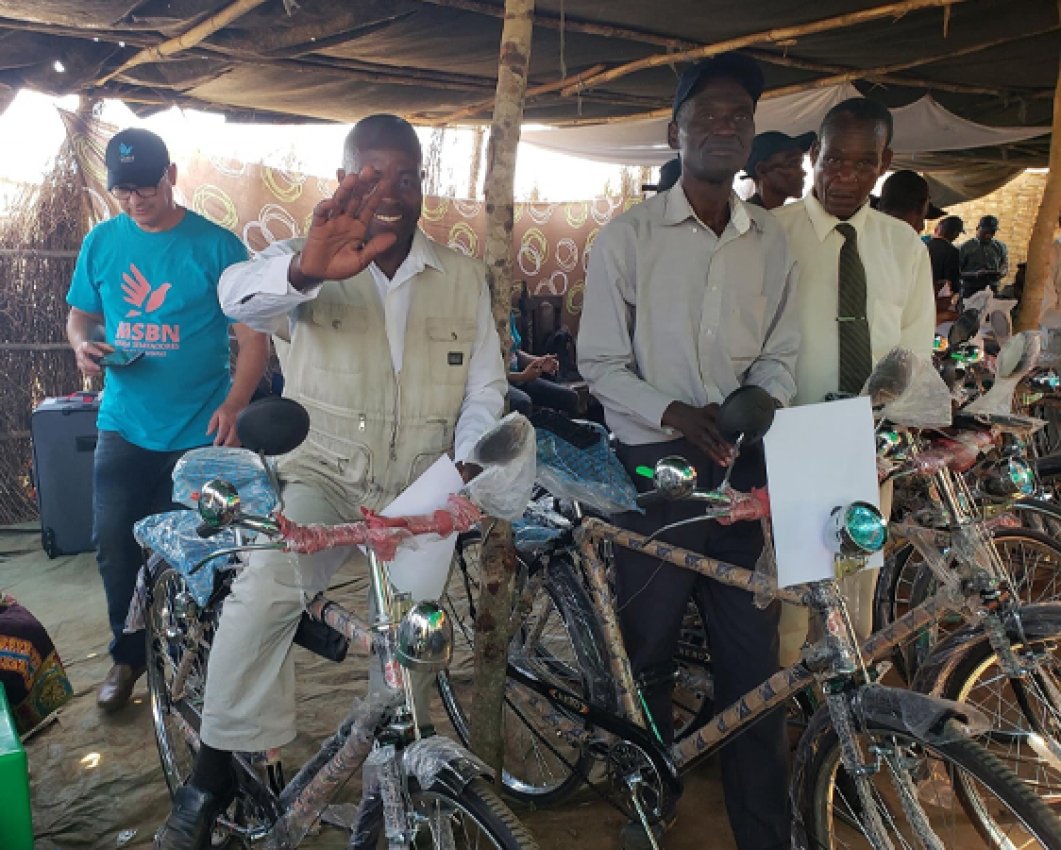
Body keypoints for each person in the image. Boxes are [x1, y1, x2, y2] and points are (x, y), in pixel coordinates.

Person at [154, 114, 506, 850]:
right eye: (371, 176)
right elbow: (235, 298)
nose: (390, 192)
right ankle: (211, 776)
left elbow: (484, 387)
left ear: (422, 183)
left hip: (419, 488)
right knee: (266, 589)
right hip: (322, 474)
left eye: (405, 176)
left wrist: (469, 461)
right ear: (344, 179)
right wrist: (306, 270)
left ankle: (391, 786)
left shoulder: (463, 275)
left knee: (414, 638)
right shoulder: (304, 258)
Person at [578, 53, 798, 850]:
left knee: (754, 664)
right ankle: (648, 799)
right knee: (648, 648)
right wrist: (671, 410)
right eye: (706, 114)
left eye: (738, 115)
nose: (723, 126)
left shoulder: (768, 241)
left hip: (739, 470)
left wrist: (756, 402)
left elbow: (780, 353)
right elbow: (599, 362)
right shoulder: (628, 237)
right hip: (652, 474)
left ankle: (763, 832)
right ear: (675, 131)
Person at [65, 128, 268, 715]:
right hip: (124, 424)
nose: (135, 201)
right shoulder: (102, 242)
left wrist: (235, 404)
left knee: (199, 551)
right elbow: (81, 317)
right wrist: (83, 345)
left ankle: (191, 658)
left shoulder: (217, 247)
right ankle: (128, 656)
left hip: (199, 432)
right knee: (114, 545)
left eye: (145, 188)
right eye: (123, 191)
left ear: (171, 176)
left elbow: (254, 339)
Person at [773, 98, 935, 663]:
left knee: (854, 586)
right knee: (790, 598)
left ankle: (845, 701)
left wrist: (889, 432)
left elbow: (913, 351)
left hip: (866, 447)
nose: (846, 176)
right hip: (787, 437)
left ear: (883, 163)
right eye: (834, 160)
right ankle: (787, 702)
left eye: (864, 163)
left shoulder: (904, 246)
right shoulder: (770, 235)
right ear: (813, 154)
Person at [506, 310, 580, 417]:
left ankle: (567, 427)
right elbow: (489, 374)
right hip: (500, 383)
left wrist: (539, 361)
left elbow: (514, 353)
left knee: (570, 397)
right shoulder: (485, 320)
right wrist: (521, 376)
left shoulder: (508, 314)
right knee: (523, 402)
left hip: (520, 378)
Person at [742, 129, 815, 210]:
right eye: (793, 164)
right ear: (762, 171)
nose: (803, 173)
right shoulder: (746, 216)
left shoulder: (778, 214)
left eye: (800, 164)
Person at [959, 214, 1009, 298]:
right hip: (970, 290)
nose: (989, 235)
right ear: (977, 228)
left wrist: (1001, 272)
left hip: (992, 289)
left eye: (992, 232)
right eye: (985, 231)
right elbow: (957, 272)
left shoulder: (1000, 247)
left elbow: (1005, 265)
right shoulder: (965, 247)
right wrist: (974, 274)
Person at [927, 215, 965, 325]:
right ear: (955, 233)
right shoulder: (953, 252)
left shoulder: (924, 246)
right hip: (940, 302)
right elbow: (952, 282)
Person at [878, 168, 930, 235]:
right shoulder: (909, 239)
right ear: (921, 207)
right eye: (922, 218)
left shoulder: (868, 233)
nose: (922, 227)